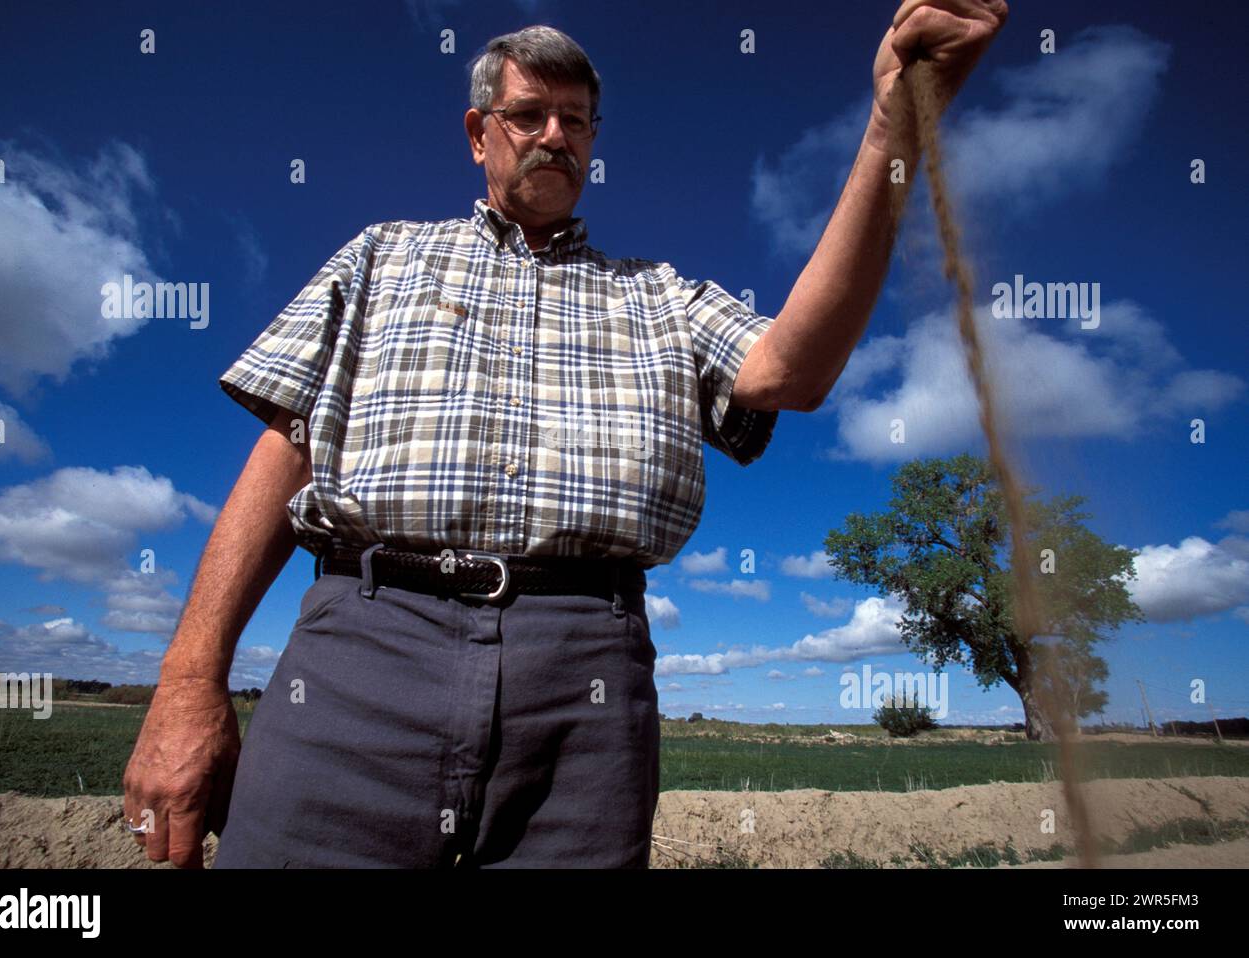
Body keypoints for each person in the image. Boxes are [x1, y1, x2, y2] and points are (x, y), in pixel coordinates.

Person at [123, 7, 1006, 869]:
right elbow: (290, 448)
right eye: (529, 115)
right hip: (362, 655)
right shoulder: (380, 256)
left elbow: (792, 371)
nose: (556, 135)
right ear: (478, 133)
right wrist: (188, 682)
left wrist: (894, 130)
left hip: (587, 673)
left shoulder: (659, 294)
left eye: (577, 121)